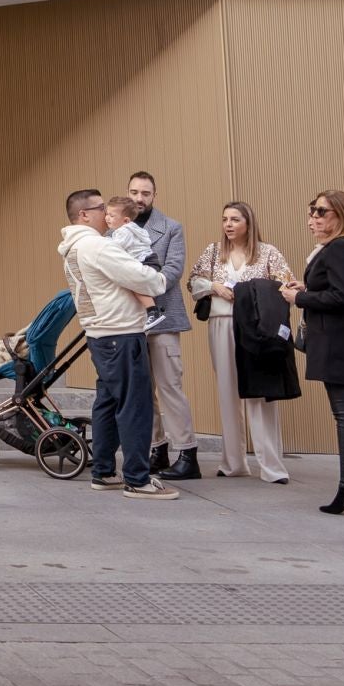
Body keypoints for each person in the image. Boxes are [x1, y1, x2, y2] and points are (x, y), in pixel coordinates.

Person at [57, 189, 176, 499]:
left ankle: (104, 472)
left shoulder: (73, 248)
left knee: (108, 405)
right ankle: (137, 479)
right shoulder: (96, 247)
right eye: (100, 209)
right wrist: (158, 279)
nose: (106, 216)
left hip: (100, 335)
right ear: (84, 215)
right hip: (121, 333)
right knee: (135, 406)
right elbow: (142, 277)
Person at [282, 190, 344, 515]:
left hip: (336, 340)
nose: (313, 218)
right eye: (311, 211)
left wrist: (300, 300)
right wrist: (308, 290)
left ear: (341, 215)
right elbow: (340, 291)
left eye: (321, 212)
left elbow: (341, 297)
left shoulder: (340, 249)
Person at [187, 203, 294, 482]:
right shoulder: (213, 252)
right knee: (227, 390)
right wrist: (214, 286)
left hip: (255, 327)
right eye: (224, 219)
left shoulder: (268, 252)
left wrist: (252, 293)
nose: (228, 224)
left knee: (260, 393)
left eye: (235, 219)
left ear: (249, 222)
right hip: (221, 323)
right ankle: (233, 463)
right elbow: (192, 282)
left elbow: (287, 284)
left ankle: (271, 467)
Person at [126, 172, 199, 482]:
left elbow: (173, 270)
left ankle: (187, 454)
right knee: (144, 391)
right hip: (129, 320)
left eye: (145, 192)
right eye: (134, 192)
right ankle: (158, 448)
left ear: (154, 195)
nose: (139, 198)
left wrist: (140, 283)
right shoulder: (117, 230)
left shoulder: (171, 228)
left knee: (170, 387)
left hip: (164, 317)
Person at [102, 197, 159, 320]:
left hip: (145, 261)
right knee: (135, 286)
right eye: (106, 214)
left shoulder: (124, 231)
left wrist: (103, 241)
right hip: (149, 260)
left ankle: (152, 311)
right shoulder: (131, 228)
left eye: (111, 216)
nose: (106, 218)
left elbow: (115, 248)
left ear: (126, 220)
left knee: (136, 286)